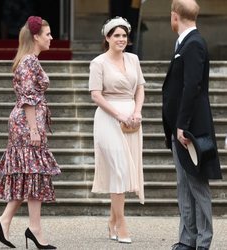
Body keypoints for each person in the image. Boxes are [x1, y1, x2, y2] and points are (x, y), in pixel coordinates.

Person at [0, 16, 61, 249]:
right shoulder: (29, 61)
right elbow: (29, 99)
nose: (51, 38)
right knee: (34, 174)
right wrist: (34, 129)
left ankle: (4, 220)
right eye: (48, 34)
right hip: (26, 124)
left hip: (27, 123)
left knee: (29, 175)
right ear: (36, 36)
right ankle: (34, 229)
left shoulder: (29, 60)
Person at [162, 1, 222, 250]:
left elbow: (192, 87)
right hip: (180, 127)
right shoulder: (184, 43)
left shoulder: (194, 44)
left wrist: (182, 125)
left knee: (197, 185)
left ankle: (203, 241)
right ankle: (187, 239)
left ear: (174, 16)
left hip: (190, 128)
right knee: (184, 185)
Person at [89, 16, 145, 244]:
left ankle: (112, 221)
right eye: (116, 35)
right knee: (120, 170)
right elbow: (95, 95)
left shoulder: (133, 59)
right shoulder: (98, 63)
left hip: (132, 120)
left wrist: (137, 111)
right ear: (107, 38)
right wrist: (119, 114)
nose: (121, 39)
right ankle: (122, 223)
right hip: (108, 119)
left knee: (124, 172)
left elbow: (140, 88)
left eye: (124, 35)